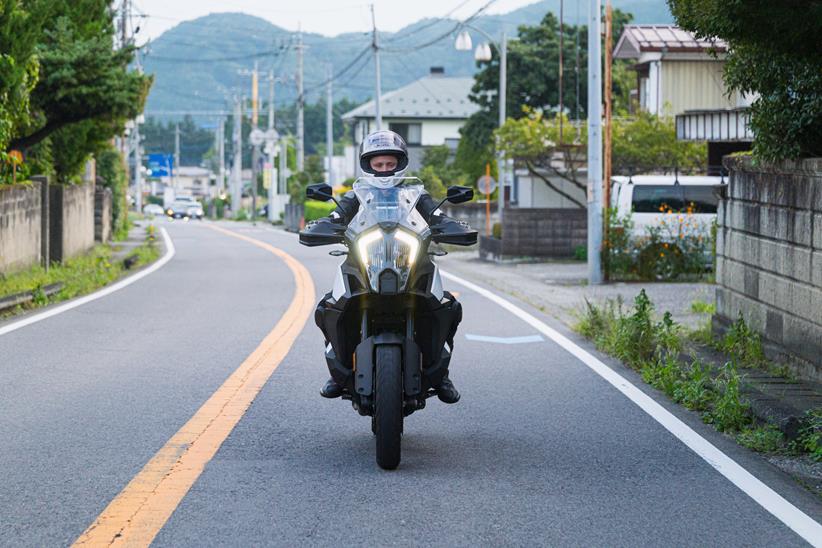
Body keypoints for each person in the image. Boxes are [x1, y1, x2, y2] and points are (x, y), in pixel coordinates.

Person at [316, 130, 462, 404]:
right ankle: (339, 373)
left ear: (400, 163)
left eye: (389, 164)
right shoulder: (356, 195)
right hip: (363, 262)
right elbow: (336, 215)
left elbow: (437, 215)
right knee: (328, 308)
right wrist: (324, 224)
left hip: (411, 261)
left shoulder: (416, 194)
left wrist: (452, 225)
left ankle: (441, 374)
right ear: (368, 165)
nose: (384, 170)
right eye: (378, 164)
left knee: (449, 308)